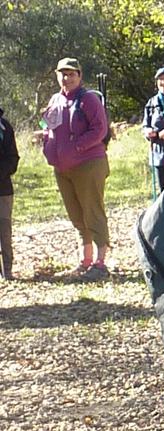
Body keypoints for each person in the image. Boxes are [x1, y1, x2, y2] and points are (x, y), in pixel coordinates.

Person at [33, 58, 110, 281]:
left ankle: (100, 262)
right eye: (62, 74)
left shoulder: (88, 99)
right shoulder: (55, 99)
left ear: (79, 76)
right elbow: (47, 126)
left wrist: (77, 146)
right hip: (62, 167)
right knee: (76, 215)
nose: (66, 78)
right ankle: (85, 261)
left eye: (71, 74)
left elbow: (100, 129)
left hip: (88, 164)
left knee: (92, 211)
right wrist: (47, 146)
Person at [0, 104, 18, 281]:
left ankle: (6, 269)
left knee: (4, 230)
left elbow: (13, 159)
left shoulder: (4, 127)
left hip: (2, 189)